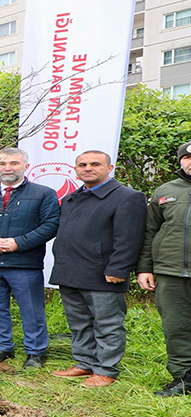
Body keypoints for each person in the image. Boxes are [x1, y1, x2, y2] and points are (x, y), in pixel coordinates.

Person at [48, 151, 146, 388]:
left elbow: (129, 238)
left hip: (104, 274)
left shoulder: (127, 197)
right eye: (82, 164)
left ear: (109, 167)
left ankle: (105, 370)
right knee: (79, 323)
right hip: (70, 272)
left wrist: (119, 269)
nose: (88, 168)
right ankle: (84, 363)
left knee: (107, 324)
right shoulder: (72, 198)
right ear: (76, 169)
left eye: (95, 164)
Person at [0, 147, 60, 368]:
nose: (7, 168)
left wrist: (18, 243)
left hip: (25, 263)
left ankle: (35, 352)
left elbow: (51, 225)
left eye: (13, 163)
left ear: (26, 166)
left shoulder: (43, 193)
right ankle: (3, 347)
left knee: (31, 310)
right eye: (2, 164)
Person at [137, 141, 191, 397]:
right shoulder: (166, 191)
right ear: (181, 161)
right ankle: (183, 379)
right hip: (171, 273)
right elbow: (150, 233)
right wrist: (145, 268)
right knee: (176, 327)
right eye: (187, 158)